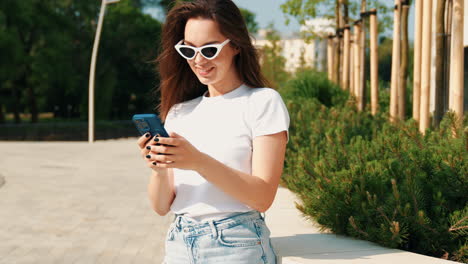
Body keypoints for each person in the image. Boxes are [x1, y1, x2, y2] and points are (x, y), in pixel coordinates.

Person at [136, 0, 290, 263]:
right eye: (188, 50)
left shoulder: (263, 102)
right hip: (179, 244)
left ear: (236, 46)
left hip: (237, 244)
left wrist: (197, 161)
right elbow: (161, 207)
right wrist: (159, 170)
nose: (198, 61)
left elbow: (262, 197)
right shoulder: (179, 112)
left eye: (209, 49)